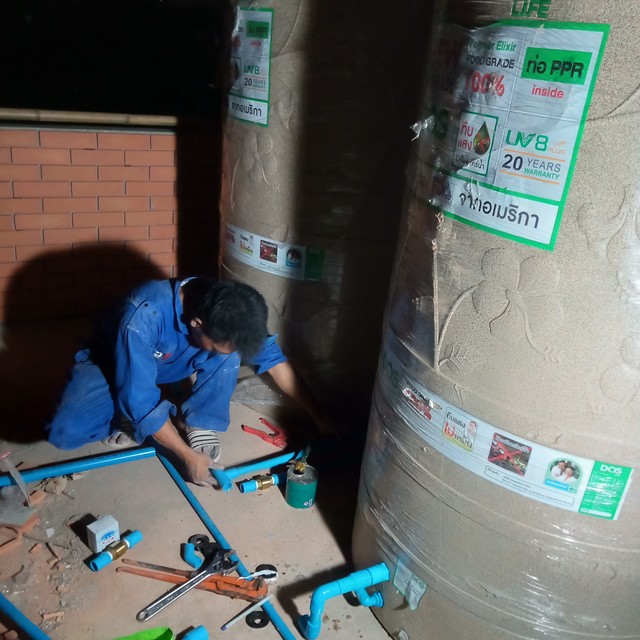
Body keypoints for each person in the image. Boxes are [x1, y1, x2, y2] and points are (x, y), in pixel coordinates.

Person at [46, 276, 327, 485]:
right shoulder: (142, 316)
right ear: (196, 323)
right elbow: (139, 400)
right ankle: (126, 417)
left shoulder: (233, 312)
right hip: (112, 361)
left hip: (170, 360)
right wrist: (186, 456)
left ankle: (201, 420)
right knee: (65, 432)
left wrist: (318, 414)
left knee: (228, 351)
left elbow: (276, 364)